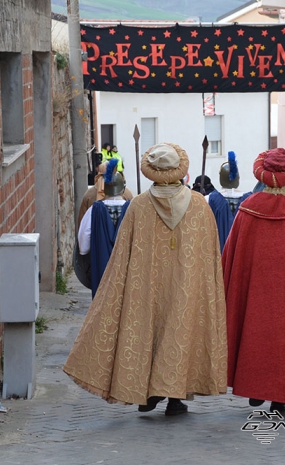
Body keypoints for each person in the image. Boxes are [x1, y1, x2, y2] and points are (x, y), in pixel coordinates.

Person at [64, 142, 228, 416]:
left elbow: (121, 255)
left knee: (147, 332)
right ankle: (173, 397)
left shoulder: (138, 206)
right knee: (179, 331)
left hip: (146, 286)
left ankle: (149, 392)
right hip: (186, 286)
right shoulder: (200, 206)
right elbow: (211, 254)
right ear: (180, 171)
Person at [223, 147, 285, 413]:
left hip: (256, 290)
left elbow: (231, 256)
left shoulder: (248, 209)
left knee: (255, 332)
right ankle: (282, 396)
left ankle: (255, 387)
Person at [74, 161, 135, 290]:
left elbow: (83, 243)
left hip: (101, 266)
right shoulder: (132, 209)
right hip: (126, 267)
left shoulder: (93, 210)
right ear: (122, 188)